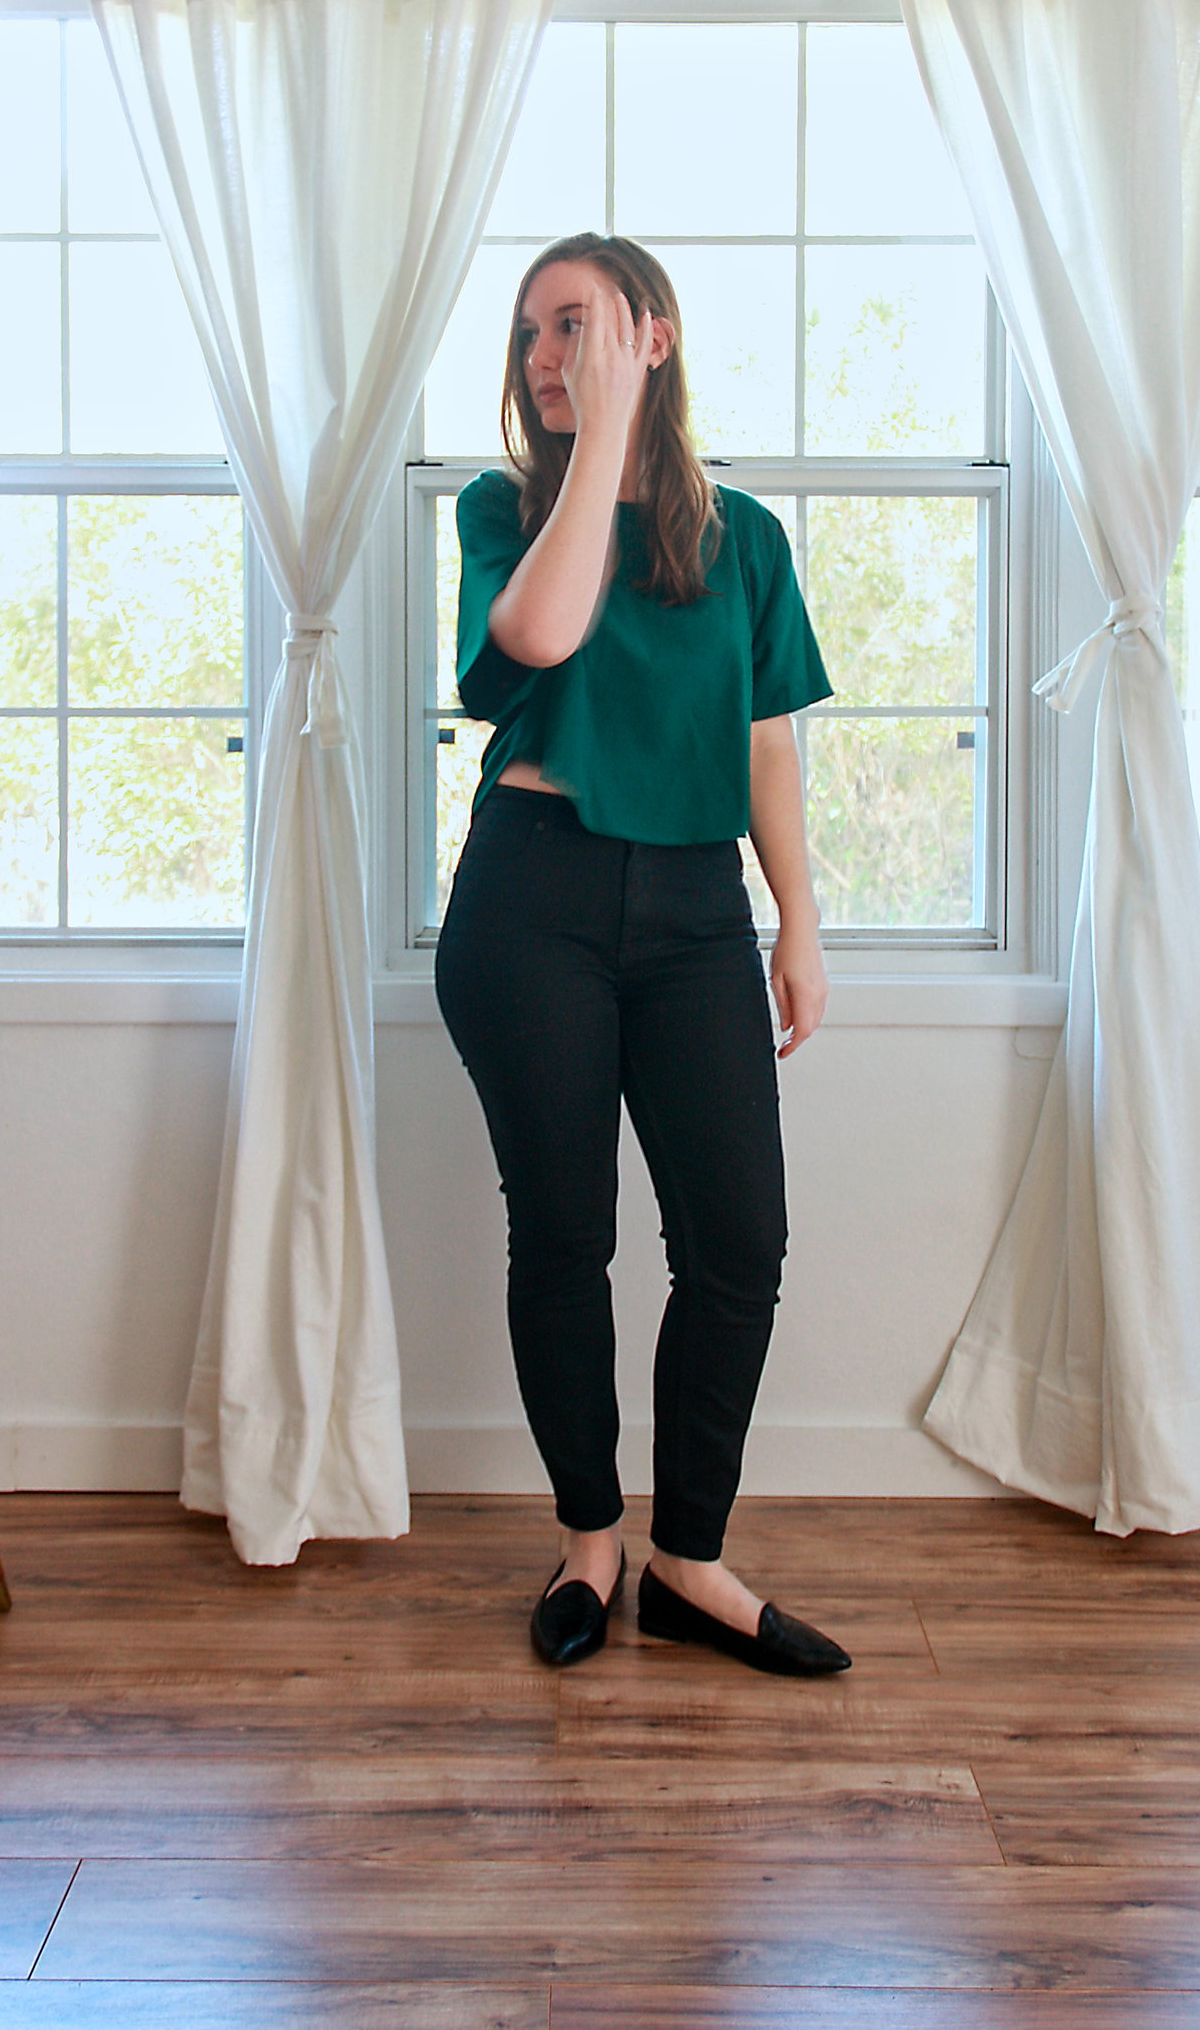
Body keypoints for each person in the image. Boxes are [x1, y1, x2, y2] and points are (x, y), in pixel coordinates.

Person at [434, 232, 850, 1679]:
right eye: (531, 335)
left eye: (578, 326)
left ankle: (690, 1564)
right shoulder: (509, 511)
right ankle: (590, 1545)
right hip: (530, 906)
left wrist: (796, 919)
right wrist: (598, 436)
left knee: (739, 1244)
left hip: (692, 915)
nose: (547, 356)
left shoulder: (744, 540)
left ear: (652, 335)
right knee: (565, 1239)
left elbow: (765, 743)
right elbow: (538, 636)